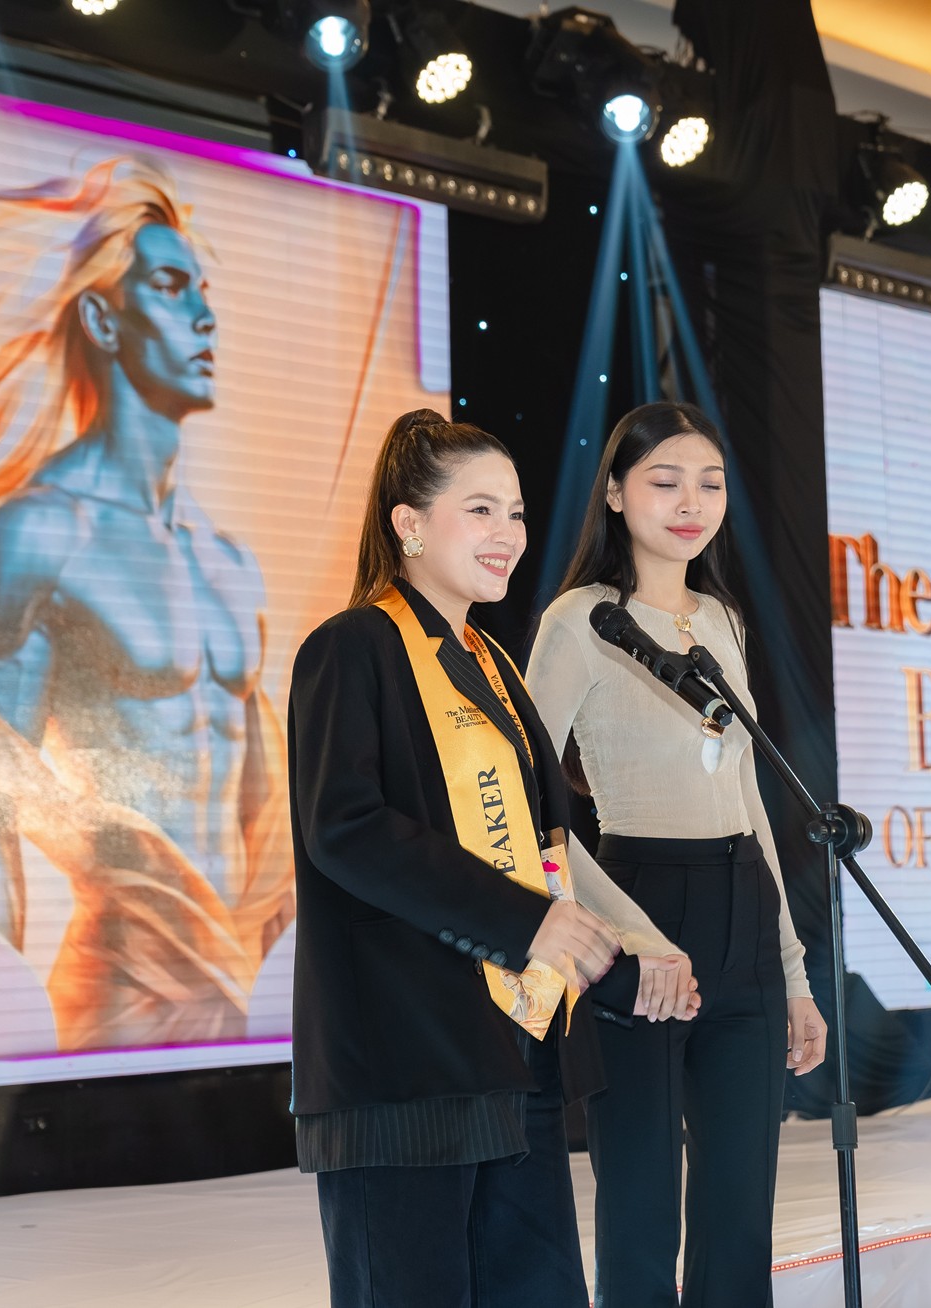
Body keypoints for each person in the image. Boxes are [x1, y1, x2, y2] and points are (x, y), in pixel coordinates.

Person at [0, 157, 292, 1049]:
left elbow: (267, 831)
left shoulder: (230, 564)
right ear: (101, 319)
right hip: (117, 1004)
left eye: (204, 291)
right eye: (170, 287)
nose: (205, 316)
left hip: (246, 1004)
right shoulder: (40, 532)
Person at [288, 410, 697, 1307]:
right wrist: (529, 926)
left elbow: (537, 857)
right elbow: (345, 830)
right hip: (404, 1068)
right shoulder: (352, 650)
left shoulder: (497, 670)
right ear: (408, 523)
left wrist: (621, 965)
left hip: (515, 1066)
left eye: (514, 513)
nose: (507, 534)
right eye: (479, 510)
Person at [528, 401, 828, 1306]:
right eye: (665, 482)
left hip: (743, 908)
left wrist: (794, 973)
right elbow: (536, 809)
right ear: (617, 494)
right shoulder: (581, 619)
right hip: (638, 903)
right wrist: (630, 935)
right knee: (641, 1203)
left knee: (741, 1210)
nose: (691, 503)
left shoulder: (722, 620)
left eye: (710, 483)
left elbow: (748, 796)